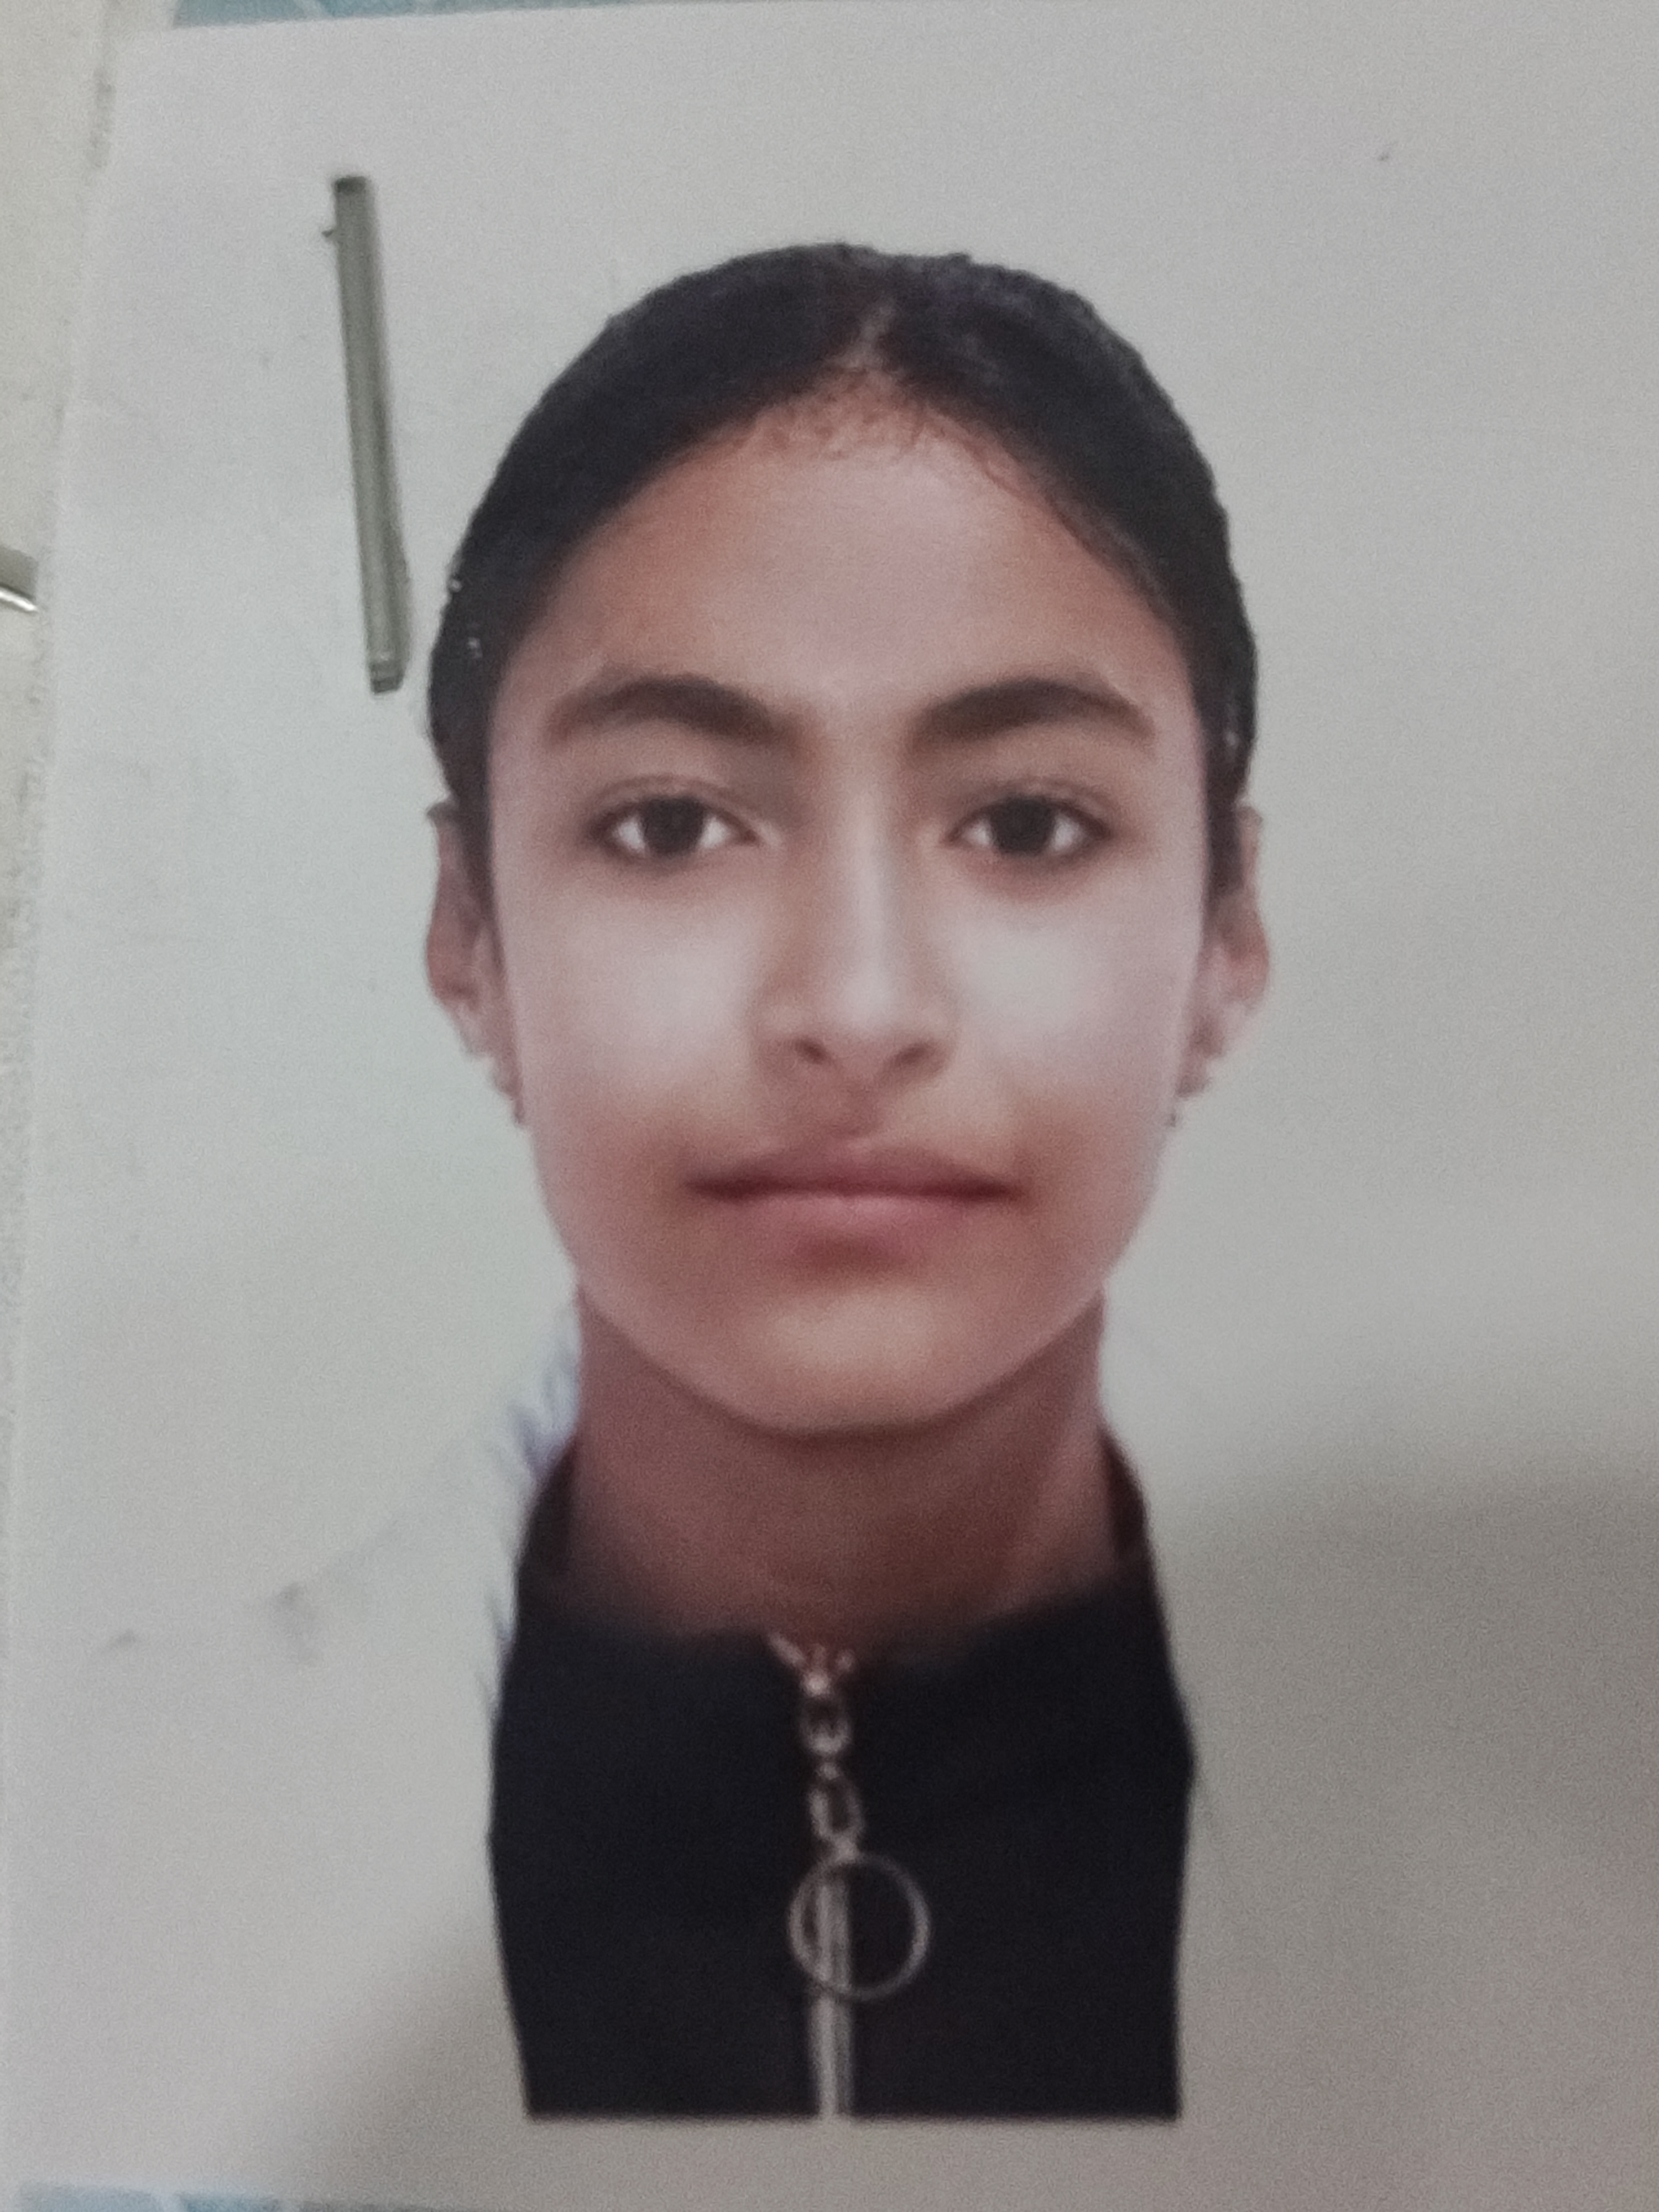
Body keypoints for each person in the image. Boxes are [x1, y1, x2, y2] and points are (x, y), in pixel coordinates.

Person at [421, 243, 1269, 2121]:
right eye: (672, 825)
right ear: (470, 936)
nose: (860, 1010)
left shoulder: (1550, 1799)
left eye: (1027, 823)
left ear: (1227, 940)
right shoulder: (101, 1808)